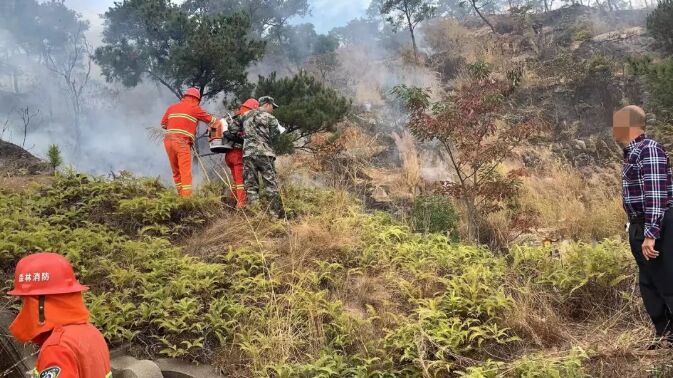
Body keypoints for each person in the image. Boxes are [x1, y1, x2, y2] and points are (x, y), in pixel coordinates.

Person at [615, 105, 673, 347]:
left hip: (657, 227)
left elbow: (656, 194)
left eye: (617, 124)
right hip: (639, 226)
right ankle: (666, 336)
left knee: (668, 282)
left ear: (628, 125)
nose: (614, 130)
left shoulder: (648, 149)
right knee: (649, 285)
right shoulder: (633, 153)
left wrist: (651, 234)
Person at [7, 252, 111, 377]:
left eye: (25, 302)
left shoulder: (57, 348)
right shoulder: (92, 333)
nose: (23, 310)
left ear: (40, 304)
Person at [161, 87, 219, 197]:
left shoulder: (172, 107)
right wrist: (214, 133)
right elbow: (213, 121)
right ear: (197, 99)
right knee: (185, 172)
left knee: (176, 172)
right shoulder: (195, 108)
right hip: (182, 143)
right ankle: (186, 200)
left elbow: (163, 124)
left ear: (185, 96)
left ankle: (180, 195)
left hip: (168, 142)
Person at [242, 96, 286, 218]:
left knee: (250, 186)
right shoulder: (271, 118)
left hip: (248, 155)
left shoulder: (245, 115)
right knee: (271, 185)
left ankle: (257, 216)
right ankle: (274, 216)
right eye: (273, 107)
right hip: (265, 154)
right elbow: (276, 135)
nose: (273, 110)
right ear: (267, 105)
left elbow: (231, 131)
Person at [224, 98, 259, 208]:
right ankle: (241, 205)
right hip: (238, 154)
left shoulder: (232, 118)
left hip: (228, 155)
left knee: (235, 181)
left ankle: (234, 202)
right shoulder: (246, 118)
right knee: (240, 181)